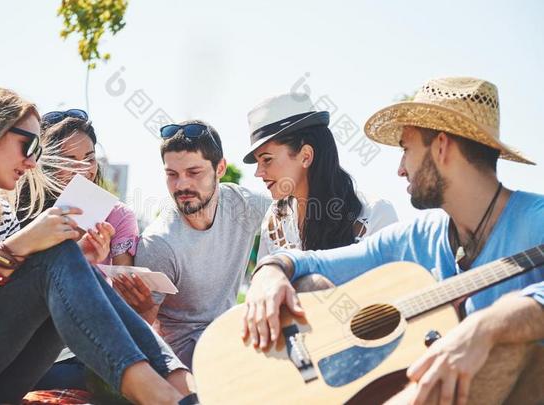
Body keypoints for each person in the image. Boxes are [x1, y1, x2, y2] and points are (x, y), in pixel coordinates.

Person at [243, 77, 544, 404]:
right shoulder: (421, 236)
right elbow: (316, 263)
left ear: (441, 147)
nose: (400, 169)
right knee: (312, 285)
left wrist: (486, 327)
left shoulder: (536, 218)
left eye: (405, 150)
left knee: (519, 354)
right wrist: (271, 270)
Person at [0, 88, 195, 404]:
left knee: (64, 254)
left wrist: (75, 263)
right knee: (54, 254)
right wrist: (23, 245)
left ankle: (179, 384)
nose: (32, 163)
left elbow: (11, 296)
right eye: (27, 146)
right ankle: (162, 397)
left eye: (38, 152)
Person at [113, 120, 270, 369]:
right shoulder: (160, 243)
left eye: (193, 173)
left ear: (220, 168)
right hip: (187, 361)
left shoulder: (242, 205)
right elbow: (140, 337)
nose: (182, 185)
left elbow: (296, 211)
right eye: (172, 175)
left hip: (234, 338)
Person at [16, 110, 140, 391]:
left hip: (79, 354)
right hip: (20, 347)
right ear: (43, 162)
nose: (84, 169)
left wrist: (90, 266)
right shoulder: (20, 209)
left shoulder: (116, 216)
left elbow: (125, 294)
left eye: (89, 158)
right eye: (69, 160)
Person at [243, 93, 397, 265]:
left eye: (267, 159)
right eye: (258, 162)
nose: (258, 172)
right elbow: (264, 288)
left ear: (306, 156)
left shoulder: (375, 214)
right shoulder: (274, 222)